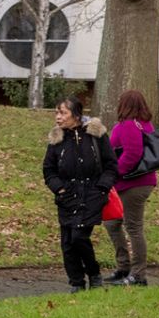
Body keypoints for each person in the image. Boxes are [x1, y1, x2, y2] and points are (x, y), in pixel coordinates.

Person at [43, 97, 117, 293]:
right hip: (67, 196)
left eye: (63, 113)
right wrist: (59, 189)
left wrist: (102, 188)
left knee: (78, 236)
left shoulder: (96, 135)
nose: (58, 117)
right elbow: (49, 170)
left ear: (76, 115)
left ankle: (93, 273)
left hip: (92, 195)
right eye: (56, 113)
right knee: (67, 242)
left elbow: (111, 165)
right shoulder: (56, 139)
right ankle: (76, 281)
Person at [105, 90, 155, 286]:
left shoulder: (129, 125)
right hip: (136, 182)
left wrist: (115, 173)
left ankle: (138, 275)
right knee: (112, 223)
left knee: (133, 227)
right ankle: (124, 267)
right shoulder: (144, 124)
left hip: (133, 184)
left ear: (124, 105)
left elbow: (132, 154)